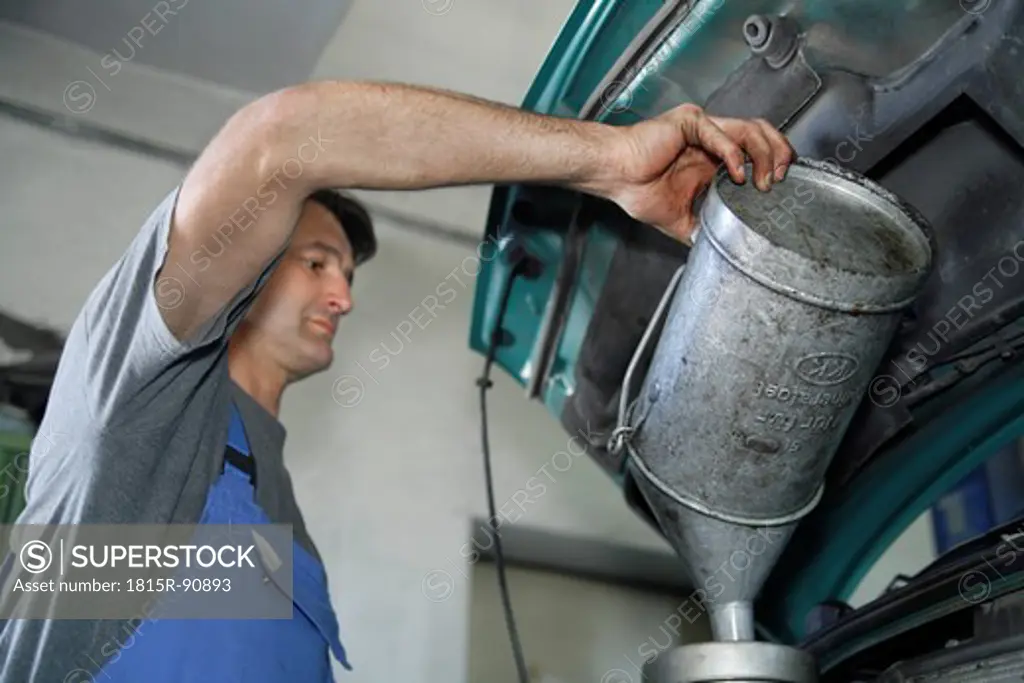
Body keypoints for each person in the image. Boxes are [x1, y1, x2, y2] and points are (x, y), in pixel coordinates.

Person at [0, 81, 793, 682]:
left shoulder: (272, 508)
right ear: (246, 264)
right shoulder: (133, 406)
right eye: (315, 263)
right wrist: (611, 160)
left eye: (345, 272)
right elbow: (282, 140)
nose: (343, 295)